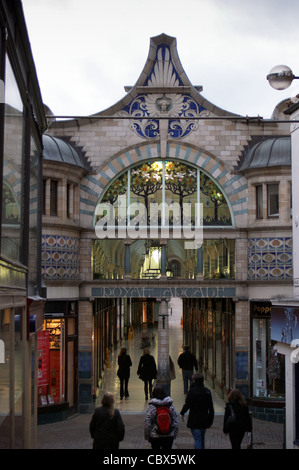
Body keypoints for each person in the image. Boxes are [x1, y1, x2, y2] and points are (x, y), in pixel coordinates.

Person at [180, 373, 214, 449]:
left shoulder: (192, 392)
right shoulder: (207, 392)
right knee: (202, 438)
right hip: (204, 419)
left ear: (194, 380)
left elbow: (187, 404)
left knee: (197, 439)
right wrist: (210, 421)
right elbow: (211, 408)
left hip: (194, 419)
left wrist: (182, 412)